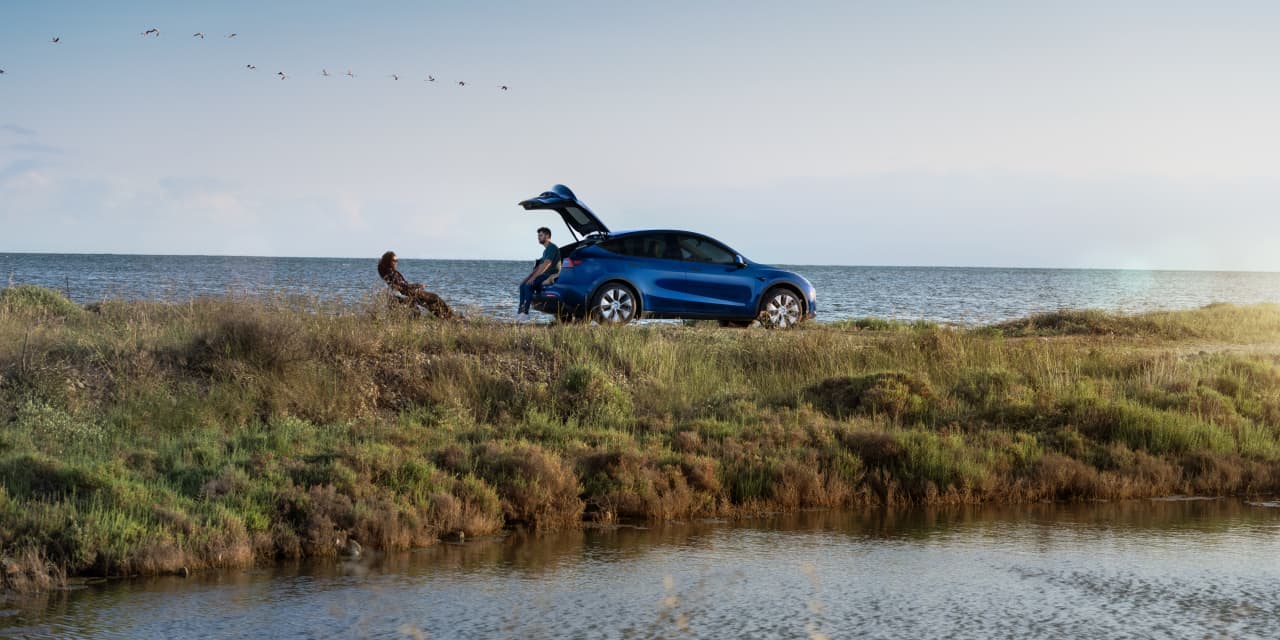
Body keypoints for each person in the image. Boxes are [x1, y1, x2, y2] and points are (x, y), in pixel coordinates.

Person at [377, 251, 454, 319]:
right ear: (388, 261)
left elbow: (402, 285)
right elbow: (402, 286)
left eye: (397, 260)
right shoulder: (391, 274)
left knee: (431, 303)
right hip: (410, 293)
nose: (396, 262)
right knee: (434, 298)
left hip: (409, 293)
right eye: (394, 260)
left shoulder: (389, 272)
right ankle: (449, 317)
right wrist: (418, 285)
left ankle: (446, 317)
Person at [516, 227, 559, 322]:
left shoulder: (552, 247)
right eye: (538, 236)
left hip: (550, 274)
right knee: (522, 285)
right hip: (544, 274)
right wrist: (528, 277)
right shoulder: (546, 250)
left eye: (541, 235)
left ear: (547, 236)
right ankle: (520, 312)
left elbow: (547, 264)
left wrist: (534, 278)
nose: (539, 238)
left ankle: (525, 313)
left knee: (528, 285)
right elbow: (539, 267)